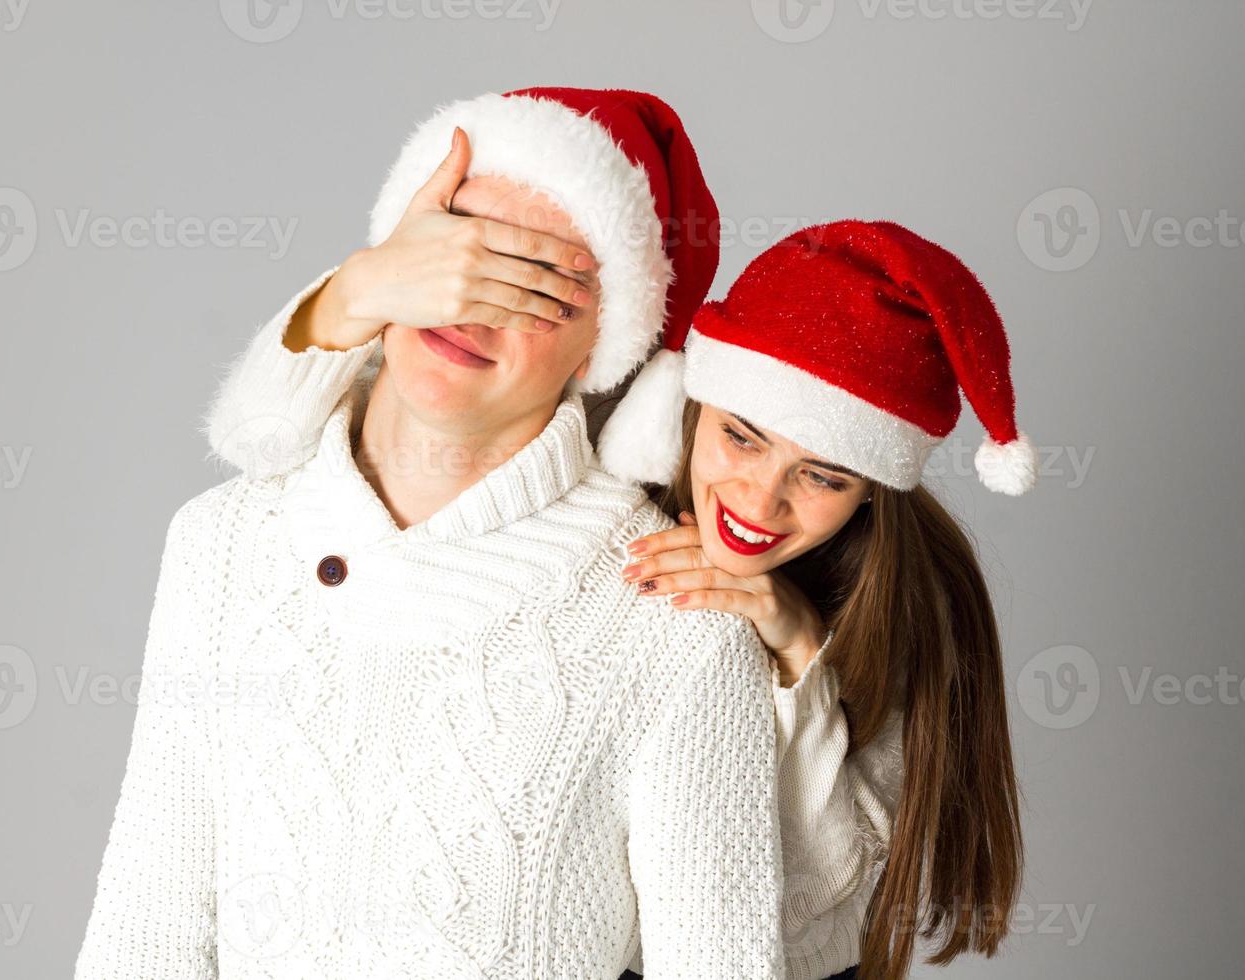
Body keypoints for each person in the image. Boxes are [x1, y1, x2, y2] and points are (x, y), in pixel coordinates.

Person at [74, 87, 789, 980]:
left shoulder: (673, 621)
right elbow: (146, 926)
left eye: (543, 284)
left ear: (610, 342)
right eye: (456, 253)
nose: (471, 306)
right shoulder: (222, 547)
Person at [206, 216, 1035, 980]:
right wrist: (354, 290)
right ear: (694, 401)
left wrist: (796, 652)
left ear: (870, 493)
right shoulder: (594, 461)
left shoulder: (906, 601)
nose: (758, 499)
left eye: (822, 476)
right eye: (739, 437)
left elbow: (811, 904)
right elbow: (302, 428)